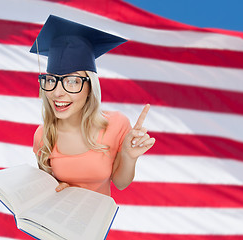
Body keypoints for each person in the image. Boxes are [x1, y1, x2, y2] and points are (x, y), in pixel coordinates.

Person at [30, 15, 155, 196]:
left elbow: (120, 183)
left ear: (90, 87)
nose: (57, 93)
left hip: (98, 222)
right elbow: (46, 188)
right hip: (57, 220)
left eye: (72, 81)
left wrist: (128, 156)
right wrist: (56, 189)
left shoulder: (116, 124)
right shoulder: (43, 135)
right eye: (51, 80)